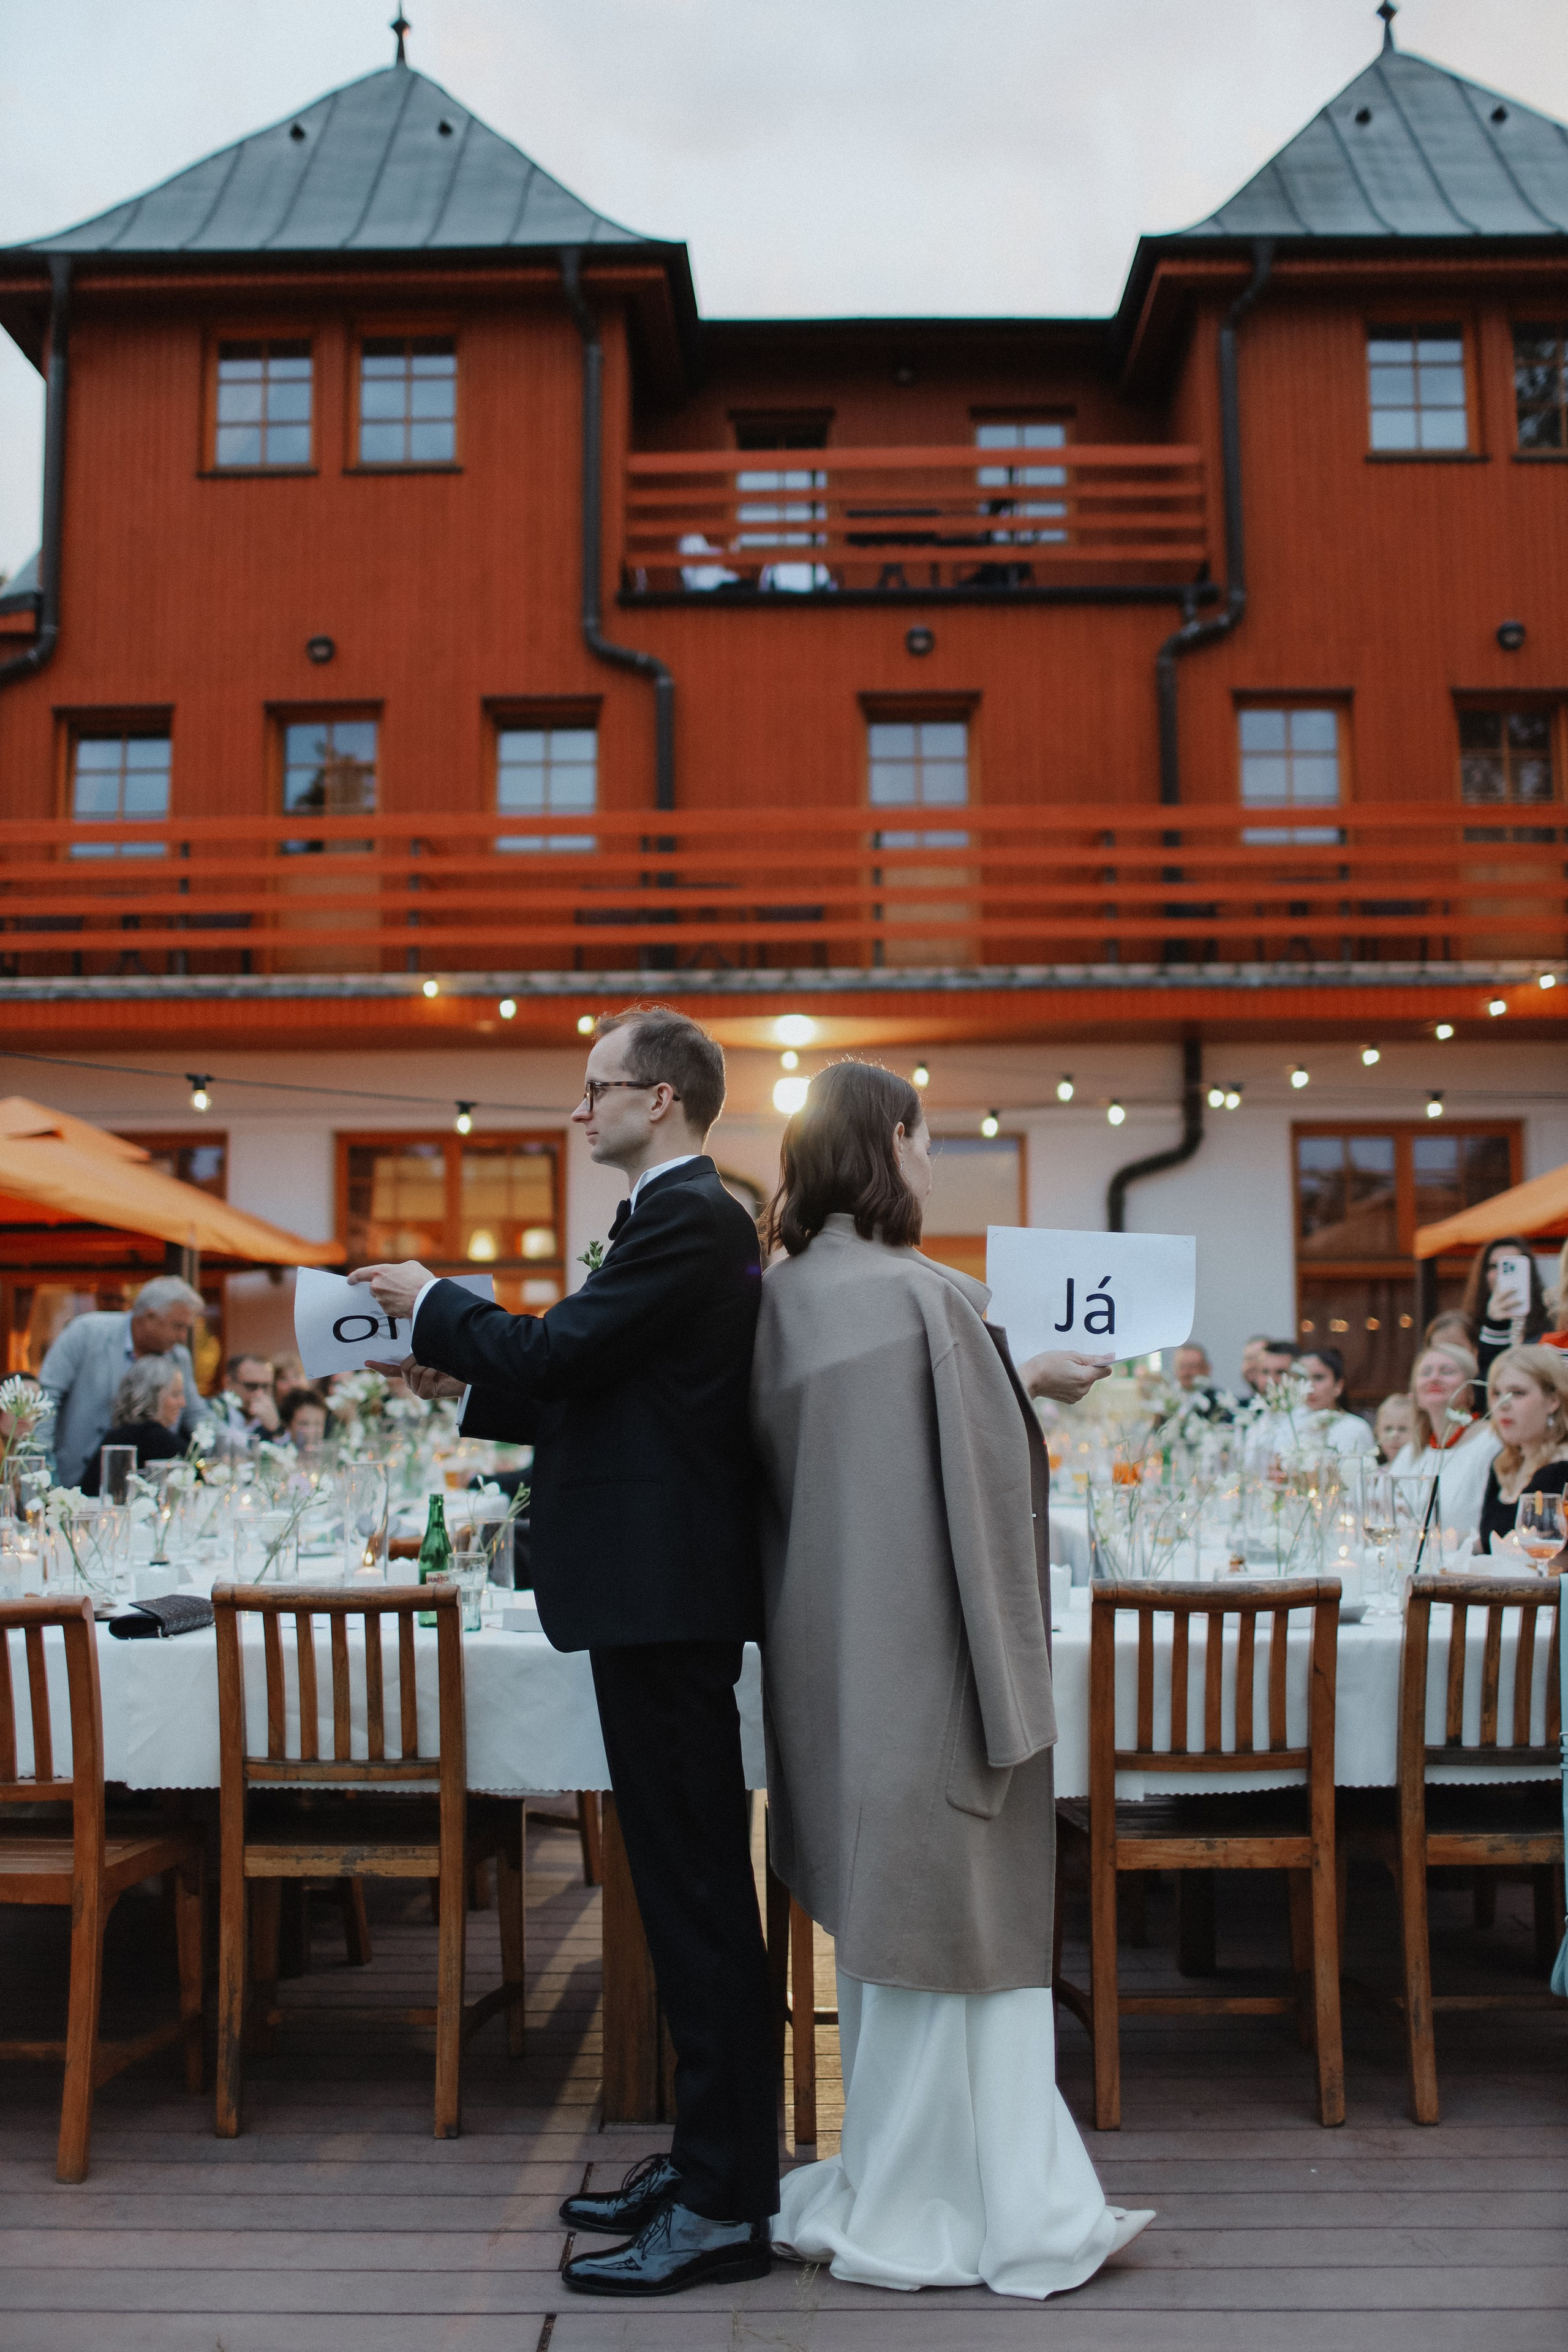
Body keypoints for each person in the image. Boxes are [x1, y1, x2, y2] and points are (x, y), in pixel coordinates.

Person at [349, 1005, 775, 2299]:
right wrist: (462, 1369)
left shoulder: (693, 1213)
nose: (577, 1110)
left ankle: (724, 2205)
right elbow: (593, 1379)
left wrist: (438, 1303)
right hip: (649, 1594)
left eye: (596, 1090)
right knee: (681, 1889)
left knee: (699, 1901)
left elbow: (571, 1350)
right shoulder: (666, 1217)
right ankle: (710, 2167)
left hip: (666, 1597)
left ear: (661, 1097)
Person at [752, 1060, 1152, 2298]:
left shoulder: (783, 1298)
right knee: (952, 1924)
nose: (931, 1163)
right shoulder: (923, 1299)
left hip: (833, 1658)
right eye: (925, 1143)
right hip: (932, 1658)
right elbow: (977, 1475)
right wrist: (1029, 1381)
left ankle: (887, 2167)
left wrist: (1006, 1372)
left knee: (889, 1932)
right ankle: (957, 2201)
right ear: (890, 1146)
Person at [38, 1276, 205, 1489]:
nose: (183, 1337)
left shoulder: (178, 1357)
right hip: (70, 1476)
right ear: (150, 1317)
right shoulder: (86, 1333)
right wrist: (45, 1471)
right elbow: (47, 1400)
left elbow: (197, 1415)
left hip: (146, 1487)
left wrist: (236, 1445)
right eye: (178, 1327)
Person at [1388, 1338, 1499, 1538]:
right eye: (1426, 1372)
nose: (1434, 1378)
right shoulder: (1410, 1453)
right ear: (1416, 1396)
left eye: (1447, 1371)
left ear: (1471, 1391)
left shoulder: (1491, 1441)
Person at [1474, 1346, 1568, 1557]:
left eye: (1517, 1393)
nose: (1503, 1405)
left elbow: (1556, 1565)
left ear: (1553, 1400)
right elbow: (1487, 1544)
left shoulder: (1563, 1469)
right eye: (1497, 1393)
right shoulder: (1504, 1464)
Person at [78, 1356, 187, 1494]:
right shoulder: (157, 1439)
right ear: (153, 1397)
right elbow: (197, 1474)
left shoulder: (115, 1436)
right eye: (176, 1394)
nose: (183, 1403)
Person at [1461, 1236, 1549, 1382]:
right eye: (1494, 1267)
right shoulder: (1466, 1327)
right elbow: (1483, 1383)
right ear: (1483, 1274)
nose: (1502, 1273)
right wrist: (1495, 1325)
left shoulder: (1551, 1321)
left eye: (1512, 1265)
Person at [1295, 1348, 1374, 1454]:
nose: (1309, 1387)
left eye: (1318, 1378)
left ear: (1338, 1385)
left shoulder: (1355, 1429)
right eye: (1303, 1378)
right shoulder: (1291, 1424)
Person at [225, 1353, 281, 1437]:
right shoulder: (215, 1412)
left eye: (266, 1387)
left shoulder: (280, 1413)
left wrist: (276, 1430)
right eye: (251, 1386)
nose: (259, 1394)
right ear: (229, 1384)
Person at [277, 1385, 329, 1450]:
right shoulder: (278, 1454)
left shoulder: (333, 1455)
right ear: (287, 1426)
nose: (311, 1431)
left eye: (318, 1424)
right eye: (304, 1424)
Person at [1372, 1390, 1415, 1464]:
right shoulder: (1375, 1473)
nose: (1395, 1435)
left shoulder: (1421, 1470)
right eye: (1388, 1429)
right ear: (1377, 1432)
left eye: (1403, 1429)